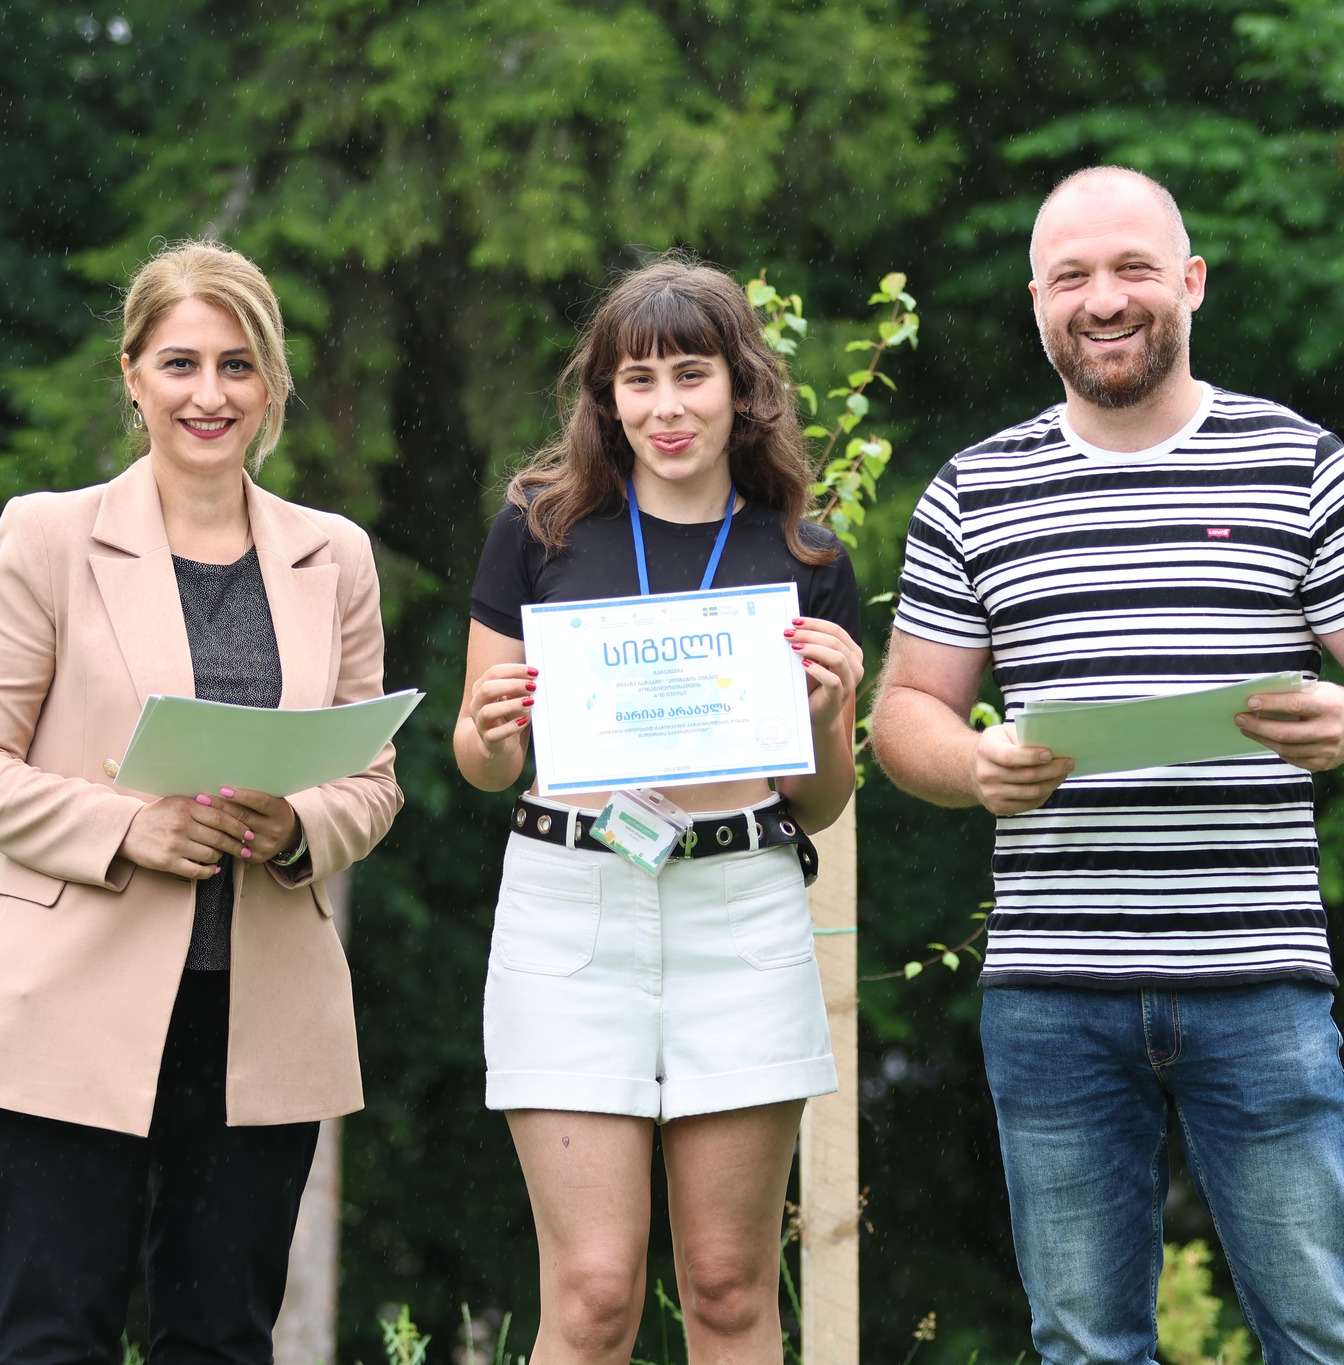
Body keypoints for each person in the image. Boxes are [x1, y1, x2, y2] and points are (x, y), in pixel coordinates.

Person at [870, 167, 1344, 1364]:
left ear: (1189, 282)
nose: (1103, 300)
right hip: (1050, 989)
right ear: (1036, 302)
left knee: (1323, 1335)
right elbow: (905, 714)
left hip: (1256, 977)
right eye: (1071, 277)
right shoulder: (972, 490)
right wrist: (973, 765)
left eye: (1132, 269)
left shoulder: (1297, 463)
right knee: (1083, 1346)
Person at [0, 240, 402, 1365]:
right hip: (68, 1000)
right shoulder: (48, 536)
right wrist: (128, 826)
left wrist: (300, 826)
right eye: (180, 363)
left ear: (271, 385)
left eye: (237, 366)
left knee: (223, 1341)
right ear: (132, 376)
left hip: (259, 1014)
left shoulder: (334, 556)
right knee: (53, 1340)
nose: (209, 394)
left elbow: (371, 779)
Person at [456, 257, 865, 1365]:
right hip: (570, 908)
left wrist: (831, 712)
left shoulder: (806, 552)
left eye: (691, 375)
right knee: (593, 1295)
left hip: (741, 911)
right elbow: (481, 764)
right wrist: (489, 730)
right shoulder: (537, 530)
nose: (666, 407)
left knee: (728, 1287)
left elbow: (821, 802)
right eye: (638, 381)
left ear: (741, 389)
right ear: (607, 399)